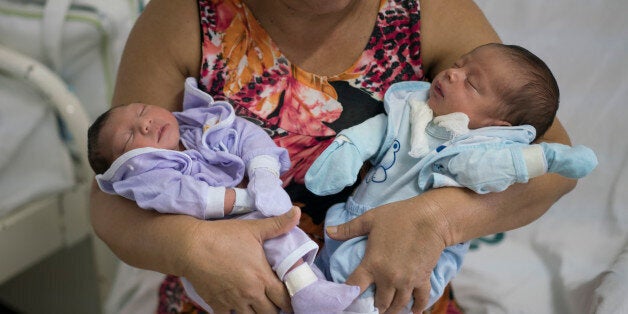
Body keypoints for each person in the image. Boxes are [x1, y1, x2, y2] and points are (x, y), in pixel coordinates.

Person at [89, 0, 579, 313]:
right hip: (235, 298)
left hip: (388, 297)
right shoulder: (182, 17)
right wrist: (190, 246)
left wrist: (438, 219)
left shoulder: (431, 12)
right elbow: (109, 194)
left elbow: (556, 164)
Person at [304, 43, 598, 313]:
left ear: (495, 125)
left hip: (412, 254)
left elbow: (496, 166)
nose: (452, 74)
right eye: (458, 64)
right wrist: (350, 151)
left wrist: (549, 158)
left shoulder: (477, 147)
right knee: (318, 275)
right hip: (351, 222)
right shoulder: (410, 108)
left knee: (374, 297)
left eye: (471, 82)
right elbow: (377, 132)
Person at [88, 77, 360, 313]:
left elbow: (247, 136)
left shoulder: (205, 125)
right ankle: (309, 292)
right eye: (128, 138)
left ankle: (321, 294)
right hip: (220, 237)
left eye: (143, 111)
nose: (145, 124)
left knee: (282, 240)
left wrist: (263, 174)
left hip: (264, 215)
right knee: (276, 242)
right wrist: (248, 199)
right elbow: (189, 196)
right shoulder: (150, 178)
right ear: (125, 166)